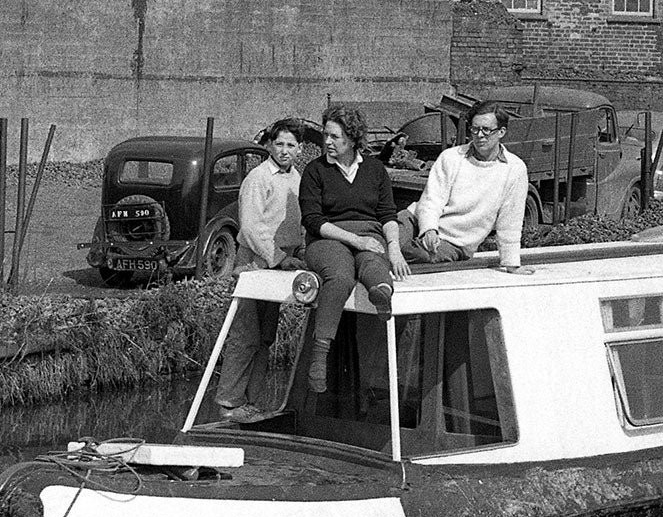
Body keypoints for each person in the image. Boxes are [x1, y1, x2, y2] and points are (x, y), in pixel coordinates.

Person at [299, 105, 404, 393]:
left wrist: (393, 247)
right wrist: (355, 240)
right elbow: (312, 219)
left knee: (373, 261)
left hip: (369, 233)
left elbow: (387, 214)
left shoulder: (374, 169)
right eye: (326, 136)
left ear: (353, 138)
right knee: (340, 276)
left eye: (335, 137)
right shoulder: (314, 171)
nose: (327, 142)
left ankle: (381, 292)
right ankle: (320, 357)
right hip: (327, 239)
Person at [214, 119, 307, 425]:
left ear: (300, 149)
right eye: (279, 144)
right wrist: (278, 258)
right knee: (245, 336)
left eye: (291, 145)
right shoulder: (257, 178)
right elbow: (252, 228)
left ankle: (253, 402)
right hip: (253, 264)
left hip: (281, 267)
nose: (284, 151)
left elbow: (298, 225)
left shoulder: (298, 179)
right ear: (269, 145)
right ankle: (229, 403)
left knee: (266, 337)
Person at [392, 101, 533, 273]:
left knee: (409, 253)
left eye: (486, 130)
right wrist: (429, 229)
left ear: (501, 132)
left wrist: (511, 264)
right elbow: (432, 199)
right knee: (387, 241)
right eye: (475, 129)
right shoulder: (451, 157)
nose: (480, 135)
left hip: (455, 243)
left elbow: (510, 222)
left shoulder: (515, 169)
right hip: (417, 220)